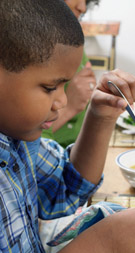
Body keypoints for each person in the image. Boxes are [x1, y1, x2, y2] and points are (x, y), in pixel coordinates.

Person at [0, 0, 135, 253]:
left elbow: (65, 188)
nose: (63, 101)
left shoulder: (17, 138)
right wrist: (105, 244)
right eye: (50, 87)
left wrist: (99, 116)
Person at [42, 0, 99, 148]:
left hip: (80, 147)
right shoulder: (32, 48)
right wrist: (69, 108)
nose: (83, 7)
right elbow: (27, 136)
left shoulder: (71, 40)